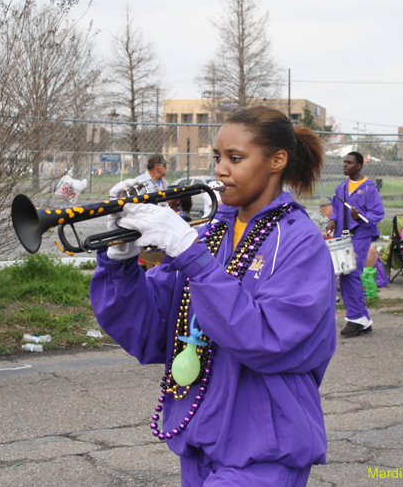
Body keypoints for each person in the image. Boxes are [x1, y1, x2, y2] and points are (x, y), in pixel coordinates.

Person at [90, 106, 335, 486]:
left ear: (277, 161)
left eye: (235, 158)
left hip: (265, 448)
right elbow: (150, 330)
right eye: (218, 157)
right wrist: (119, 262)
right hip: (201, 439)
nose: (221, 169)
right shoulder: (210, 235)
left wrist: (191, 254)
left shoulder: (300, 241)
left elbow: (266, 339)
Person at [325, 152, 385, 337]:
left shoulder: (368, 189)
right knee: (345, 273)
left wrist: (359, 218)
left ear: (359, 165)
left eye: (349, 163)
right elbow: (335, 208)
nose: (345, 165)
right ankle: (362, 319)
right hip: (344, 235)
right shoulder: (341, 187)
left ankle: (356, 317)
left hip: (361, 234)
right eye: (344, 162)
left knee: (350, 272)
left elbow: (378, 213)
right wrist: (333, 220)